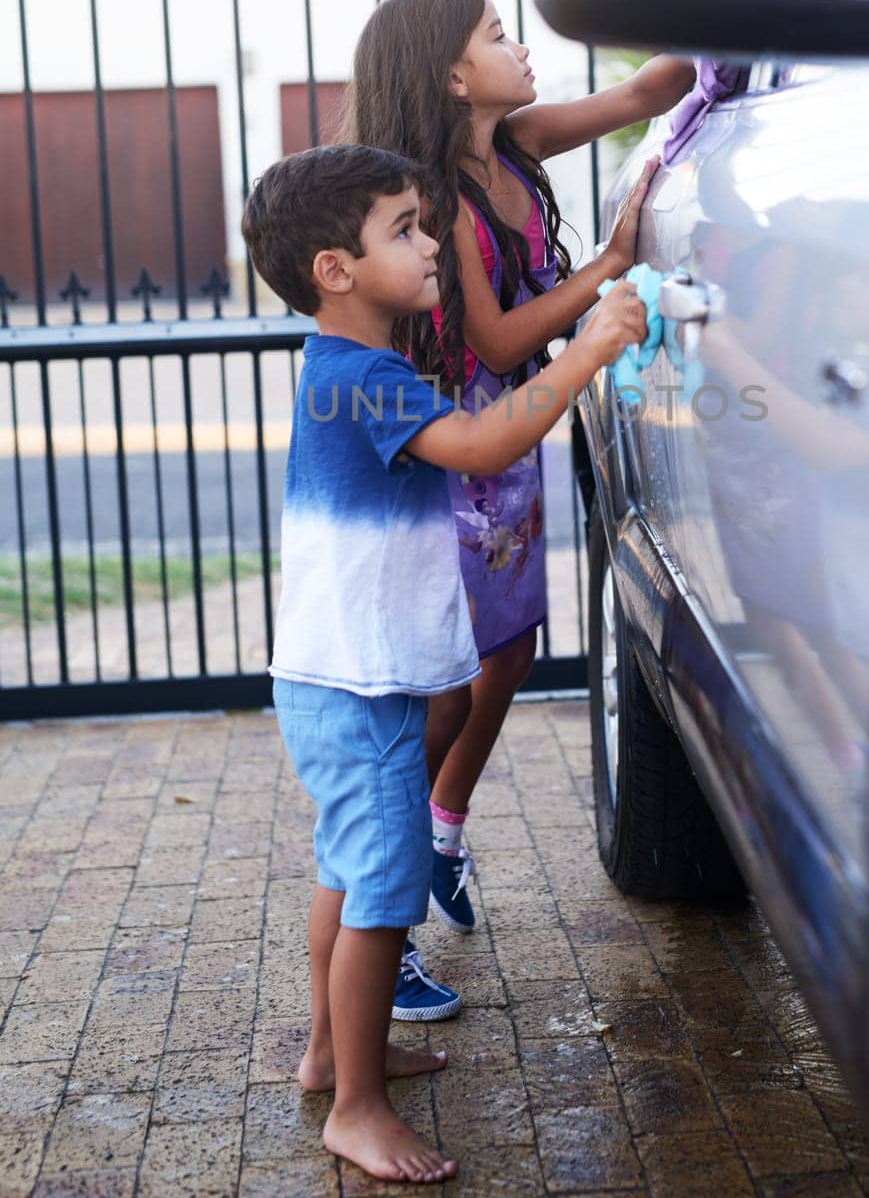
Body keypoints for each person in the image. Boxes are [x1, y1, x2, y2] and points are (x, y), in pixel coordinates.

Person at [241, 142, 647, 1185]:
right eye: (406, 230)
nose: (432, 246)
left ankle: (338, 1052)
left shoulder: (350, 367)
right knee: (382, 889)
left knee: (349, 865)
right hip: (357, 683)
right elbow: (480, 446)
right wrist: (586, 348)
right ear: (337, 269)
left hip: (343, 676)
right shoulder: (366, 377)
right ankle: (357, 1109)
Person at [345, 0, 692, 939]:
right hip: (459, 452)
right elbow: (495, 344)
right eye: (500, 35)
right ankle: (390, 907)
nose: (523, 48)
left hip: (510, 446)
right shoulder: (440, 197)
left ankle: (441, 835)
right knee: (446, 694)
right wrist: (603, 274)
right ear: (457, 76)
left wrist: (711, 26)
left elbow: (646, 94)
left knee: (512, 652)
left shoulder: (520, 142)